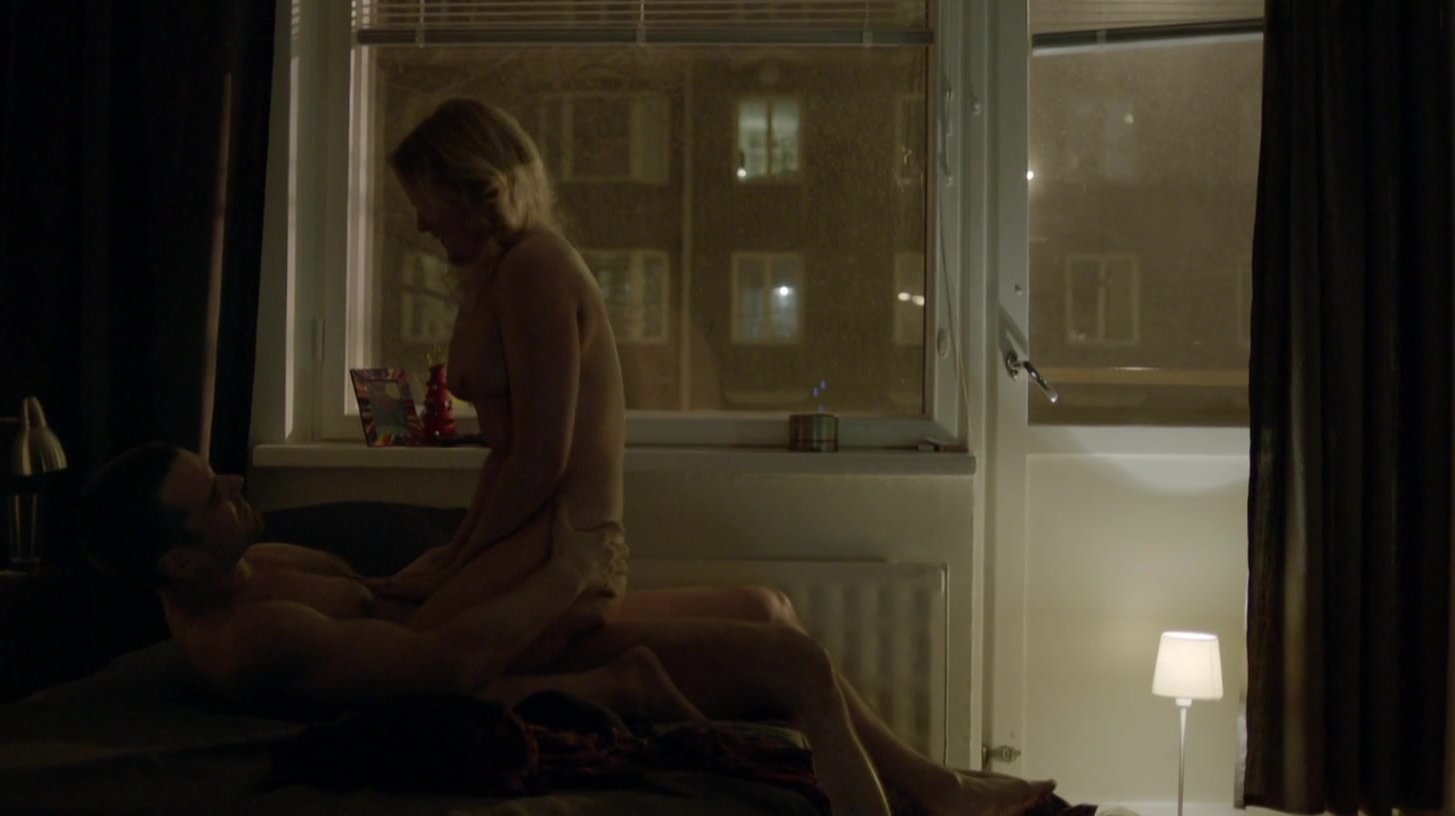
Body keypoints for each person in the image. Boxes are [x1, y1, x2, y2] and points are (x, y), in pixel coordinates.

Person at [79, 444, 1057, 816]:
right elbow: (446, 666)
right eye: (212, 498)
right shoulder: (254, 638)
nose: (236, 486)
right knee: (794, 664)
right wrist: (564, 577)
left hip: (492, 628)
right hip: (495, 663)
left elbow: (384, 596)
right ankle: (925, 801)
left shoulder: (250, 559)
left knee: (767, 605)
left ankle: (929, 784)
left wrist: (454, 560)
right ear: (177, 564)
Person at [365, 99, 629, 673]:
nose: (421, 224)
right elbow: (506, 454)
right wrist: (456, 552)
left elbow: (540, 457)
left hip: (566, 537)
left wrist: (465, 562)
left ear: (469, 188)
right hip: (532, 523)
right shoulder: (497, 273)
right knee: (388, 623)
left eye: (424, 201)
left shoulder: (537, 268)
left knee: (407, 659)